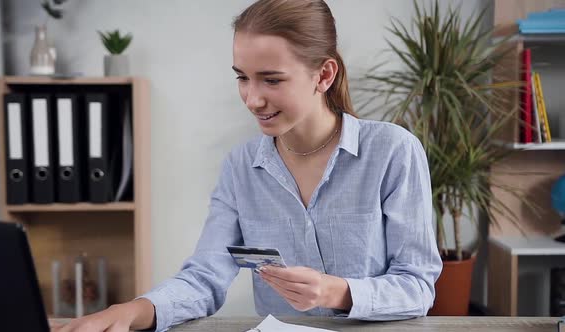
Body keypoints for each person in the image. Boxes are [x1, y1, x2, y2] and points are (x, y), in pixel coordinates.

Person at [53, 1, 441, 331]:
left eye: (271, 80)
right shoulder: (241, 168)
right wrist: (135, 310)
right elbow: (205, 278)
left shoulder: (392, 151)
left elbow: (418, 287)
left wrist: (335, 291)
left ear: (323, 75)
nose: (253, 99)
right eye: (243, 78)